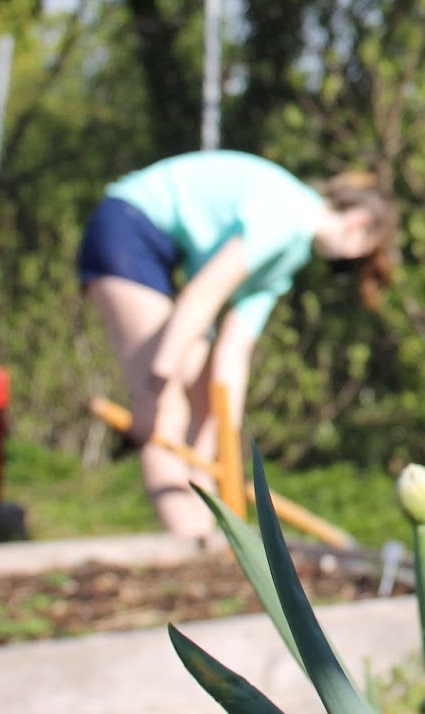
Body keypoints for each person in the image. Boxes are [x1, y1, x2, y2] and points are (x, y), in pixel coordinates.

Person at [77, 151, 398, 537]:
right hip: (129, 227)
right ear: (361, 226)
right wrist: (154, 387)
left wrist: (224, 443)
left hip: (163, 251)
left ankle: (215, 534)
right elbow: (201, 296)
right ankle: (193, 548)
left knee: (202, 404)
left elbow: (234, 350)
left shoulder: (288, 259)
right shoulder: (286, 215)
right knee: (168, 415)